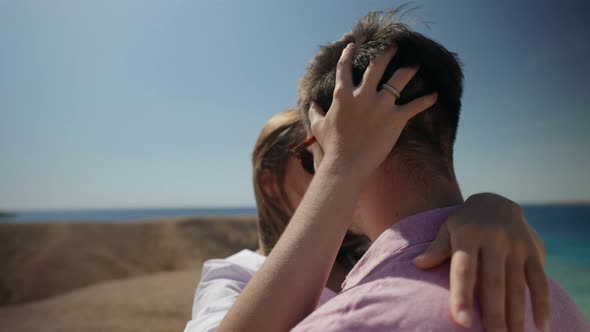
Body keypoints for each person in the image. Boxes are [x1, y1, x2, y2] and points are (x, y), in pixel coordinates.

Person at [223, 10, 589, 332]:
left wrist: (341, 162)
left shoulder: (353, 318)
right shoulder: (556, 301)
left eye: (311, 156)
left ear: (334, 144)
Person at [187, 106, 550, 332]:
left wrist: (489, 207)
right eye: (319, 156)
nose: (348, 168)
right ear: (268, 182)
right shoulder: (234, 277)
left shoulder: (376, 253)